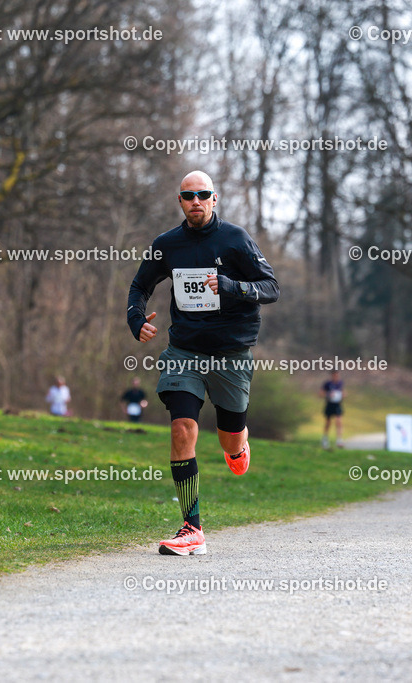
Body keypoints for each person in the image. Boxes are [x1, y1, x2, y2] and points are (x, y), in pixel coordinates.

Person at [127, 170, 279, 555]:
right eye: (188, 195)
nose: (196, 201)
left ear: (215, 199)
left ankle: (237, 446)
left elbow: (270, 287)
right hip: (185, 352)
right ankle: (191, 528)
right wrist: (136, 319)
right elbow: (140, 286)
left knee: (228, 436)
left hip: (231, 353)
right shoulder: (168, 244)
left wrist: (230, 286)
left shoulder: (235, 240)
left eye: (203, 194)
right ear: (180, 201)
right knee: (182, 428)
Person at [319, 371, 344, 450]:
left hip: (337, 404)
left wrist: (343, 395)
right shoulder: (327, 384)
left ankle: (339, 439)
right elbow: (321, 393)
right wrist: (328, 395)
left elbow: (343, 392)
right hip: (330, 404)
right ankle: (325, 438)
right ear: (332, 375)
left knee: (339, 421)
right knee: (328, 422)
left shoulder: (340, 383)